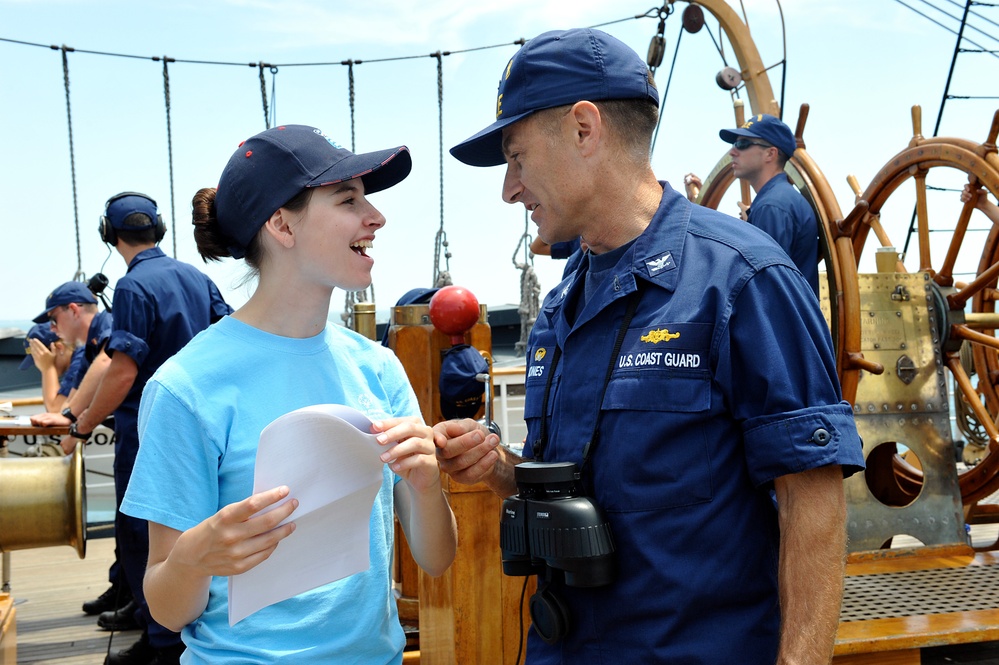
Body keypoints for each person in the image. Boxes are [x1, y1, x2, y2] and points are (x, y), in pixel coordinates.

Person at [435, 28, 865, 664]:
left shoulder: (741, 280)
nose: (509, 189)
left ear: (585, 128)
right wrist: (500, 470)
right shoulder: (562, 305)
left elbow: (813, 494)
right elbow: (578, 483)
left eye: (517, 157)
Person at [119, 124, 457, 663]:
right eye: (348, 199)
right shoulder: (186, 387)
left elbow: (435, 560)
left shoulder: (379, 368)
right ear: (281, 223)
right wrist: (192, 558)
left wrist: (426, 485)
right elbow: (167, 606)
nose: (376, 217)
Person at [33, 192, 232, 665]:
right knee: (192, 526)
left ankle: (161, 644)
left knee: (143, 534)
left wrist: (79, 427)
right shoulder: (195, 275)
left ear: (110, 234)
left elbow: (122, 370)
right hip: (201, 423)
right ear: (158, 229)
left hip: (147, 429)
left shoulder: (133, 287)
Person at [27, 281, 131, 619]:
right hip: (128, 433)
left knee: (136, 522)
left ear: (73, 310)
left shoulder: (108, 329)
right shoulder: (91, 347)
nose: (54, 329)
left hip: (142, 429)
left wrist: (74, 423)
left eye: (55, 319)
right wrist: (72, 419)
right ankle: (124, 591)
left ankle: (138, 607)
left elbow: (106, 367)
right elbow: (68, 402)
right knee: (127, 521)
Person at [718, 113, 820, 295]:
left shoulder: (772, 207)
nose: (732, 152)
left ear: (770, 153)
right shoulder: (777, 202)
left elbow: (765, 289)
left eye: (742, 144)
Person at [20, 322, 81, 415]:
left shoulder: (80, 362)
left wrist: (48, 367)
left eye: (42, 359)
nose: (40, 366)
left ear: (59, 348)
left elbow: (56, 410)